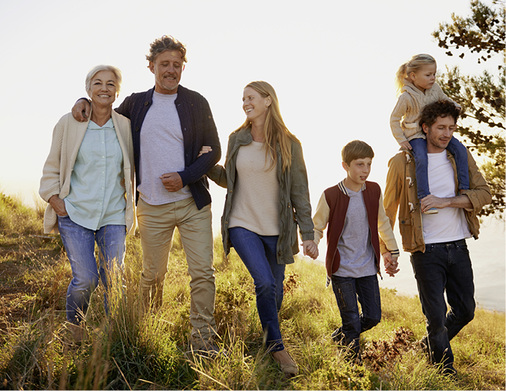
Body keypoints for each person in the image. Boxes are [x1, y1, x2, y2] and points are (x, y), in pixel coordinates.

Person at [71, 35, 221, 354]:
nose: (170, 70)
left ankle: (202, 339)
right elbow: (104, 114)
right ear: (151, 66)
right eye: (164, 64)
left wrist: (185, 176)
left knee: (203, 274)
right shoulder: (136, 103)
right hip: (151, 206)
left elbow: (214, 151)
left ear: (183, 67)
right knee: (152, 275)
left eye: (176, 65)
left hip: (192, 204)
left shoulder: (196, 102)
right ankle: (149, 330)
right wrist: (82, 103)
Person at [206, 81, 317, 376]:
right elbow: (229, 178)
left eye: (251, 97)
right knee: (265, 283)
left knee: (276, 292)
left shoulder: (289, 143)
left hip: (278, 231)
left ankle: (267, 337)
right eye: (243, 98)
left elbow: (299, 192)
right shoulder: (236, 138)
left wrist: (308, 235)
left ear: (268, 101)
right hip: (242, 223)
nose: (245, 102)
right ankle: (278, 348)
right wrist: (204, 163)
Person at [384, 100, 491, 375]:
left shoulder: (459, 157)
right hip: (424, 250)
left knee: (466, 310)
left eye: (451, 128)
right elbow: (388, 210)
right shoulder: (402, 162)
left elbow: (484, 194)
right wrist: (387, 251)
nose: (446, 134)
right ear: (425, 127)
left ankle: (427, 346)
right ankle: (443, 369)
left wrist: (447, 202)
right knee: (435, 317)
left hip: (458, 245)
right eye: (440, 127)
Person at [39, 65, 135, 341]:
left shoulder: (126, 126)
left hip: (113, 214)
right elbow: (52, 166)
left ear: (118, 91)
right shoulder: (68, 123)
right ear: (88, 89)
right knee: (86, 279)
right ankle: (75, 333)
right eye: (97, 83)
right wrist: (55, 200)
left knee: (115, 280)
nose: (104, 88)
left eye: (110, 84)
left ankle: (114, 339)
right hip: (75, 212)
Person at [312, 140, 400, 361]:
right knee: (351, 319)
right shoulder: (331, 195)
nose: (366, 170)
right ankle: (353, 366)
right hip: (342, 270)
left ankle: (340, 337)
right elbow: (317, 226)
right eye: (360, 164)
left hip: (367, 267)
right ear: (345, 166)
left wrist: (393, 251)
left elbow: (383, 222)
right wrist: (312, 242)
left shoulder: (373, 190)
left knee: (373, 317)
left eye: (369, 164)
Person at [390, 54, 469, 214]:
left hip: (434, 133)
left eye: (434, 74)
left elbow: (445, 99)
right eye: (428, 75)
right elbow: (394, 119)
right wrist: (401, 140)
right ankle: (425, 198)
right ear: (413, 76)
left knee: (461, 150)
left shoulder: (435, 89)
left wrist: (456, 106)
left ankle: (464, 190)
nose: (432, 78)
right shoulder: (406, 97)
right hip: (416, 135)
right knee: (421, 158)